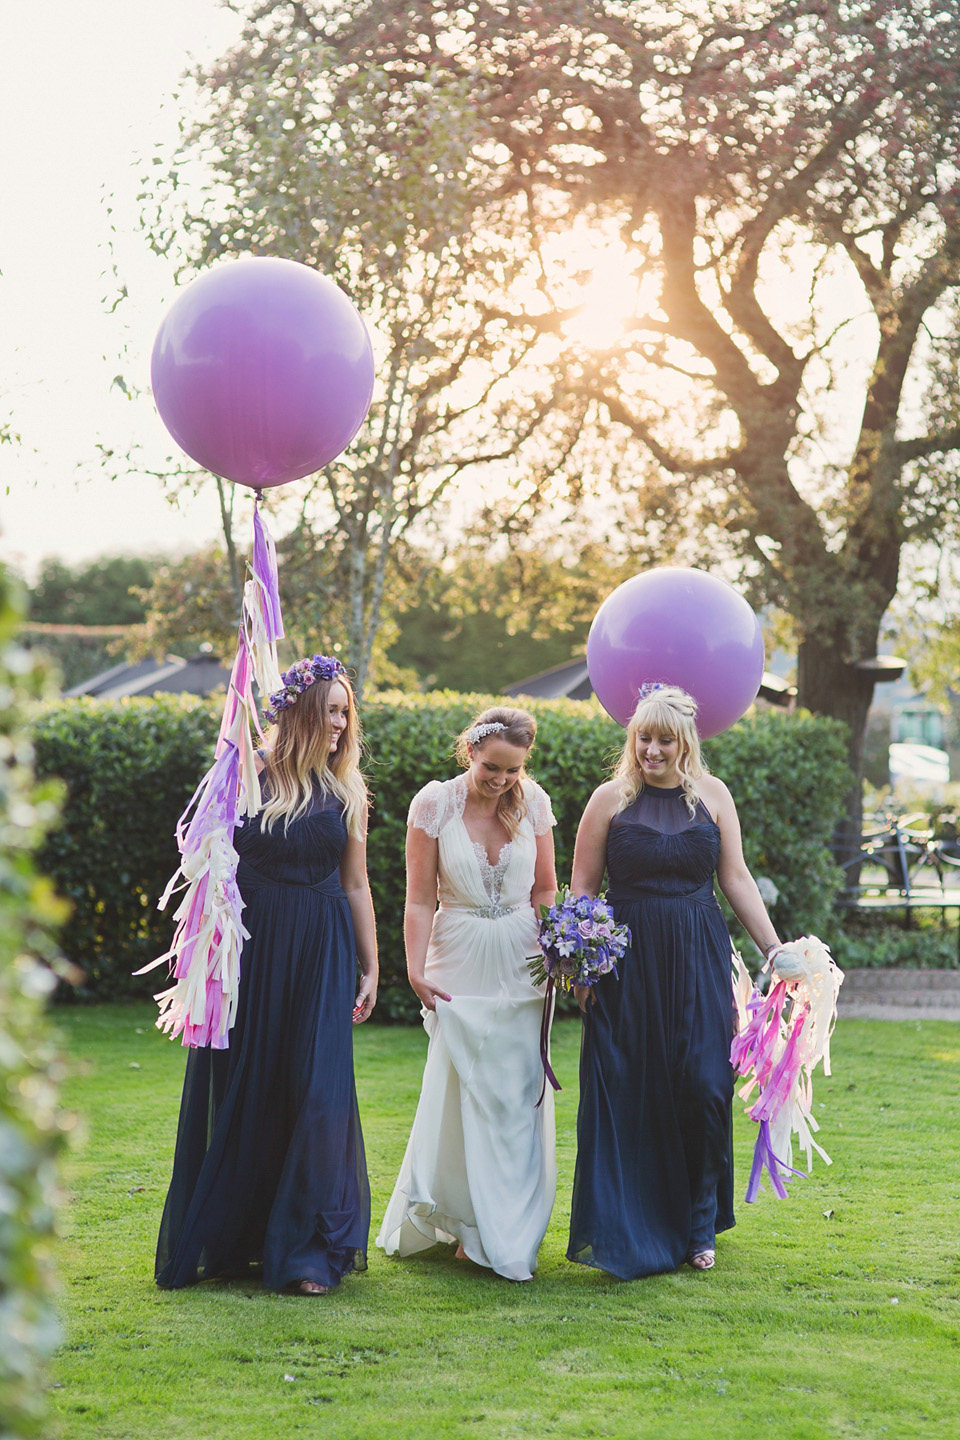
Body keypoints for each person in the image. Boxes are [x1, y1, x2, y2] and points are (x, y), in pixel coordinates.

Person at [155, 655, 378, 1296]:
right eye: (331, 710)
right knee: (249, 1086)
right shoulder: (242, 774)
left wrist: (371, 962)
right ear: (302, 714)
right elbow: (203, 866)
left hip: (321, 950)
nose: (340, 724)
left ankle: (307, 1250)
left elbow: (355, 881)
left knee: (316, 1092)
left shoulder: (347, 791)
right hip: (251, 954)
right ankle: (237, 1237)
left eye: (345, 712)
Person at [567, 683, 781, 1279]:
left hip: (697, 954)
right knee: (632, 1087)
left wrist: (774, 948)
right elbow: (582, 887)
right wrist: (583, 962)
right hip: (626, 962)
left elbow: (734, 878)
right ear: (631, 738)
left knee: (705, 1086)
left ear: (686, 742)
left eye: (665, 740)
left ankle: (698, 1224)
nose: (653, 750)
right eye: (644, 738)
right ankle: (633, 1225)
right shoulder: (608, 800)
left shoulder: (713, 796)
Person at [377, 706, 558, 1282]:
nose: (502, 780)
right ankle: (465, 1222)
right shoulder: (434, 804)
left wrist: (562, 951)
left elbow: (547, 887)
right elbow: (419, 898)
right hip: (456, 957)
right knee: (463, 1090)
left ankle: (504, 1227)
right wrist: (413, 968)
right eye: (491, 767)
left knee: (514, 1091)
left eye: (513, 770)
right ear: (470, 752)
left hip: (523, 958)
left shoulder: (534, 802)